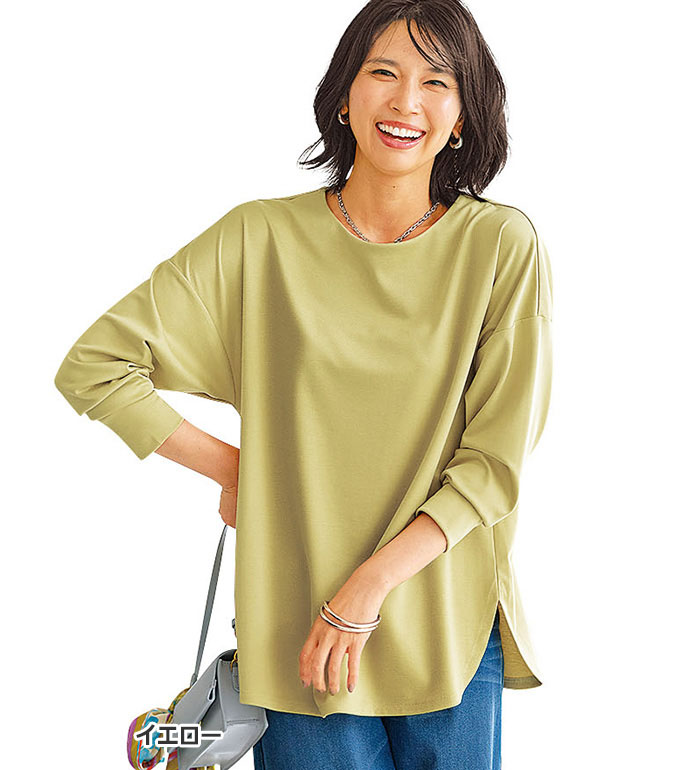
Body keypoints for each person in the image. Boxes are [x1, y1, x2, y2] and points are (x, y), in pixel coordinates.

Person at [53, 0, 554, 767]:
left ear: (462, 117)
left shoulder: (499, 246)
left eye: (436, 81)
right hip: (297, 633)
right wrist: (240, 471)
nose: (406, 101)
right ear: (344, 96)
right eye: (382, 72)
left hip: (444, 625)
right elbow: (95, 365)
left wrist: (366, 589)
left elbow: (494, 464)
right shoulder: (260, 238)